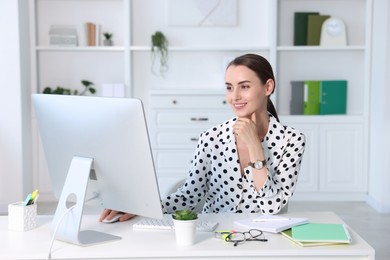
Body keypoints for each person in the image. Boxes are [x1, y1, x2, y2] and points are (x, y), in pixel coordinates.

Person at [100, 53, 305, 223]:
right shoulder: (211, 138)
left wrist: (255, 148)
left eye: (244, 86)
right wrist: (140, 206)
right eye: (229, 87)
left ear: (268, 87)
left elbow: (272, 207)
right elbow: (189, 197)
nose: (234, 97)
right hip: (211, 238)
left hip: (261, 239)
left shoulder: (292, 141)